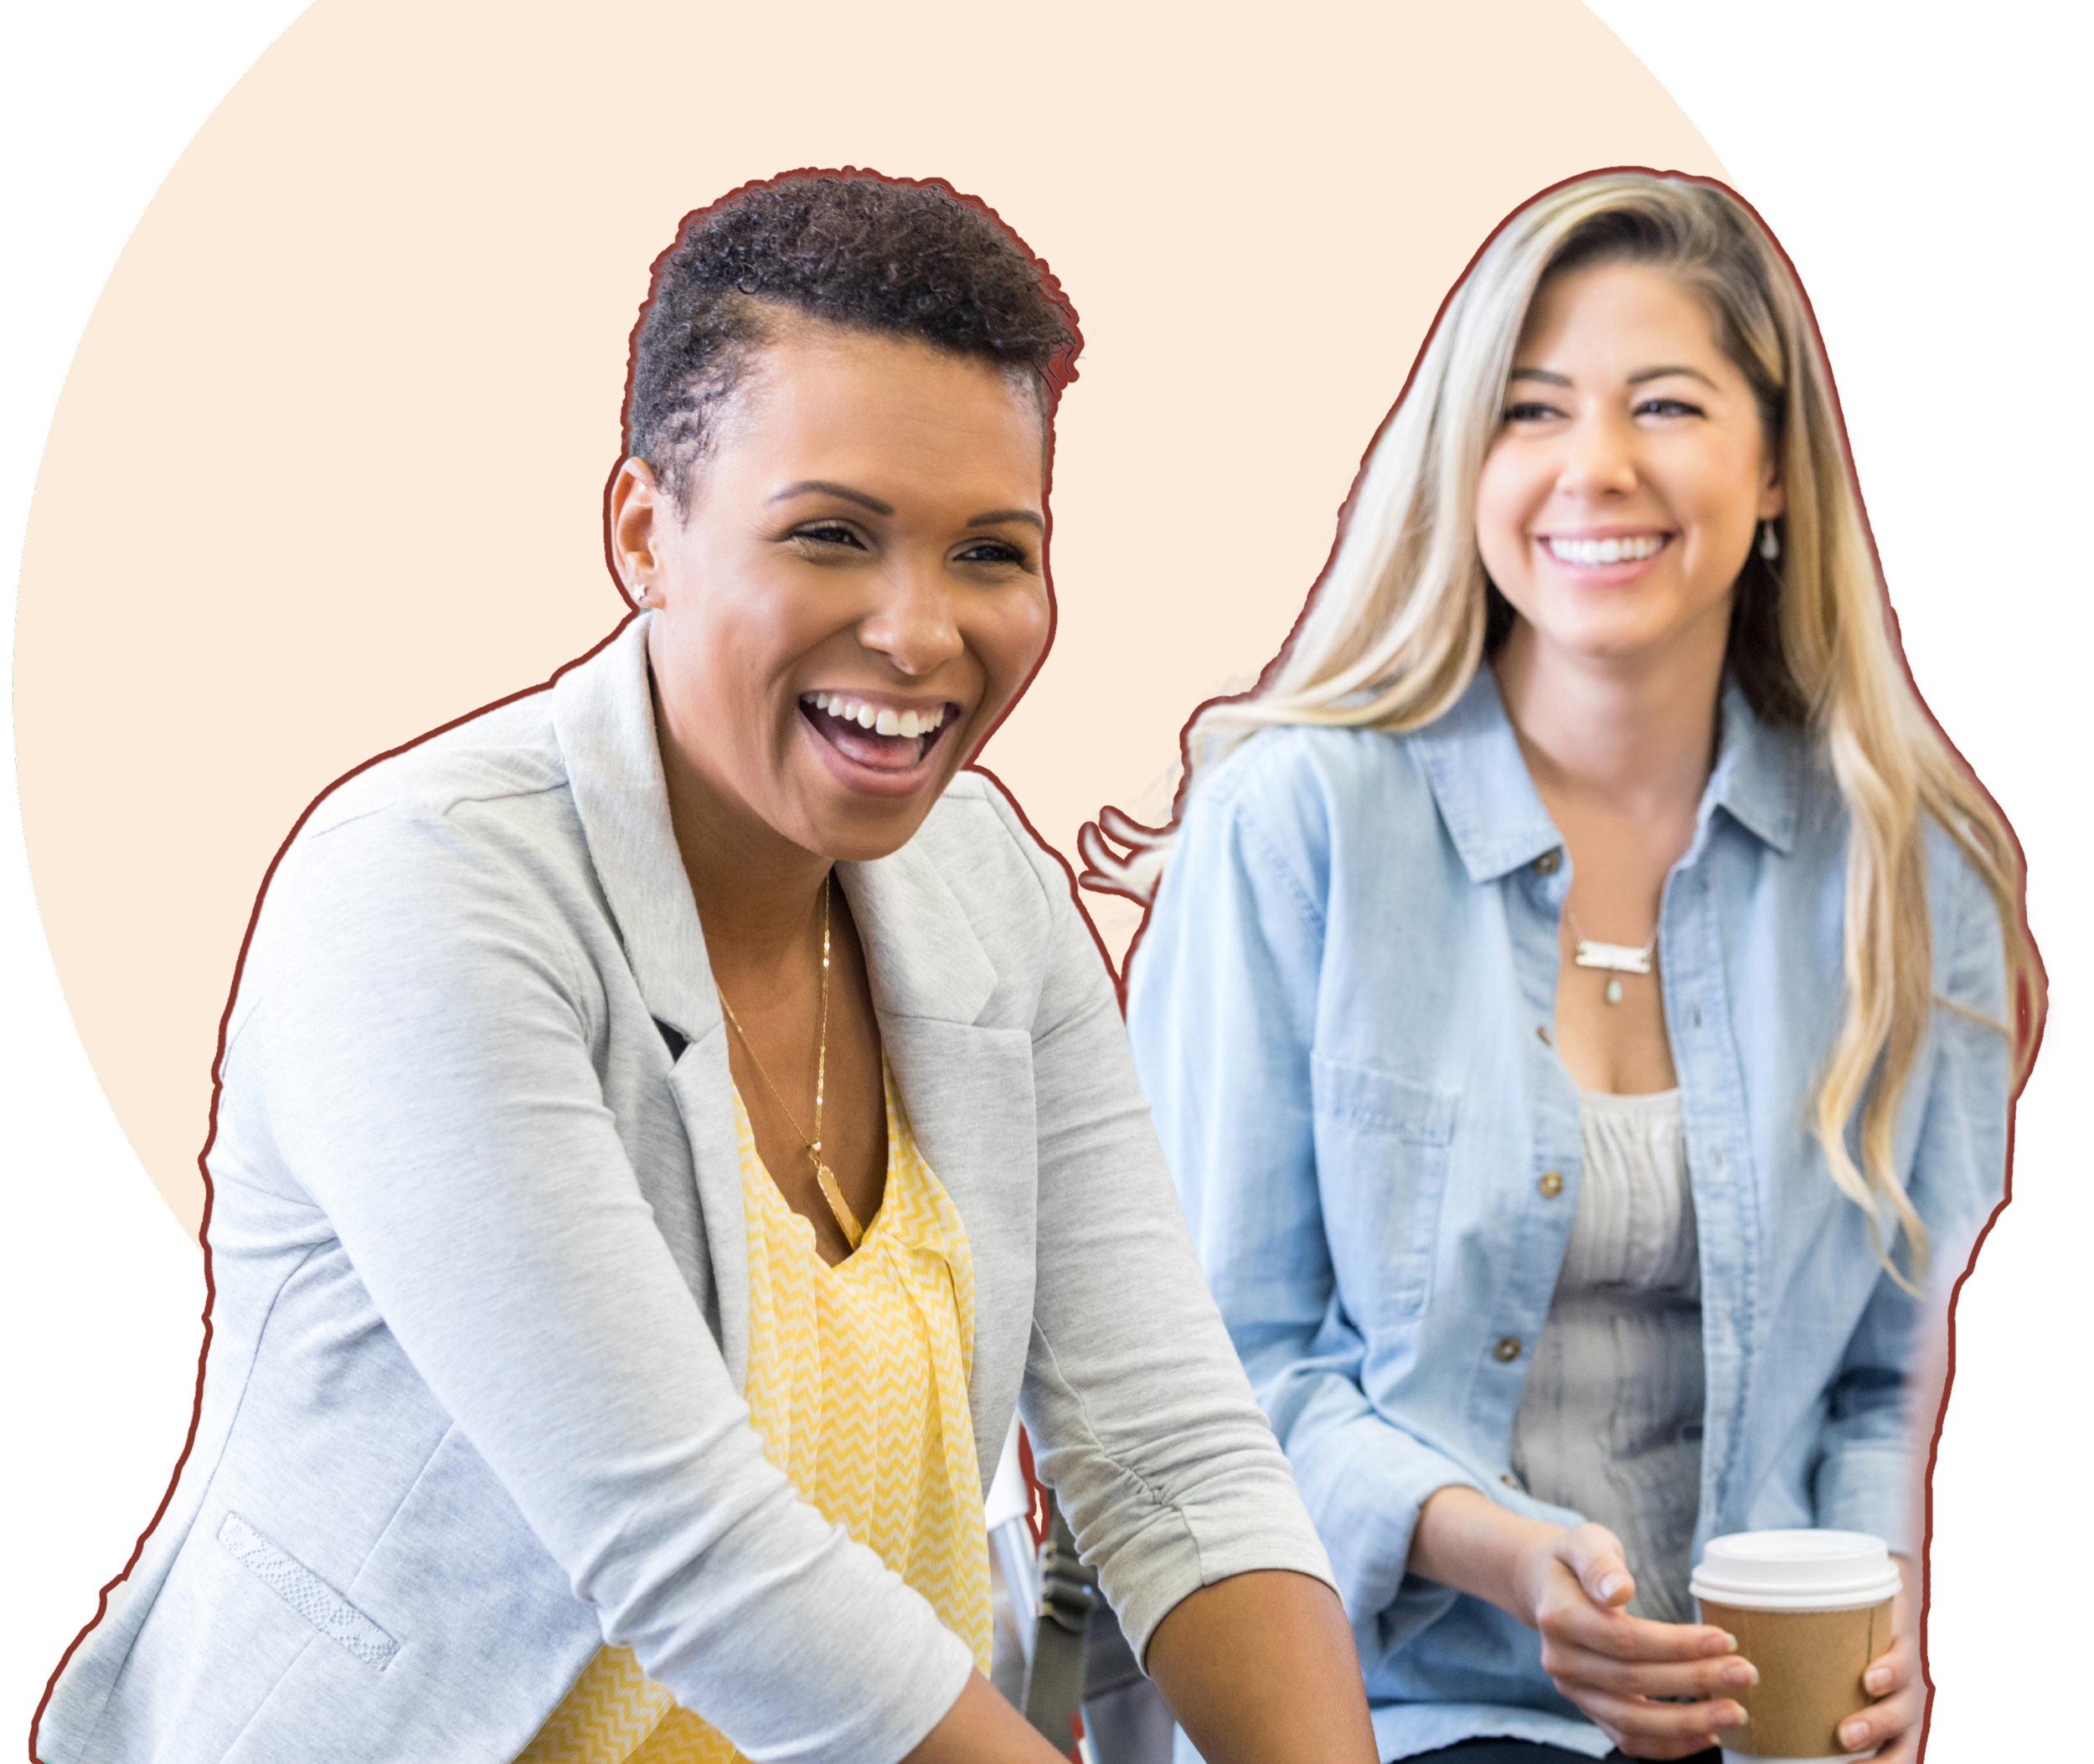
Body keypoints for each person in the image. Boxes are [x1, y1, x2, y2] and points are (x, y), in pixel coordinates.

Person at [34, 172, 1379, 1764]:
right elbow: (689, 1548)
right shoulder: (425, 890)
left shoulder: (988, 884)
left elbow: (1170, 1449)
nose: (921, 633)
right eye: (831, 536)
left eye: (989, 551)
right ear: (643, 535)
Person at [1083, 171, 2042, 1764]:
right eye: (1531, 411)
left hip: (1758, 1719)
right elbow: (1210, 1387)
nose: (1596, 464)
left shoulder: (1910, 869)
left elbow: (1886, 1376)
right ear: (1466, 463)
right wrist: (1508, 1556)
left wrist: (1880, 1635)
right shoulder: (1294, 826)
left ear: (1776, 469)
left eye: (1665, 405)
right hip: (1383, 1708)